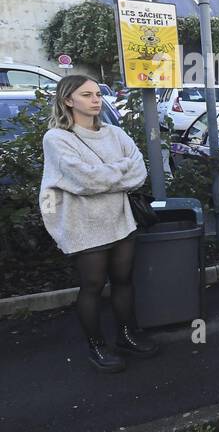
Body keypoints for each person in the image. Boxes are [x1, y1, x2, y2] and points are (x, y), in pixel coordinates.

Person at [39, 75, 156, 372]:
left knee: (123, 280)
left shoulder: (115, 133)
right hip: (84, 225)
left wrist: (104, 173)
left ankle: (127, 336)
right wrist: (117, 172)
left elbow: (139, 171)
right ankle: (97, 347)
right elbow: (85, 180)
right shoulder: (56, 138)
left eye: (97, 94)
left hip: (119, 219)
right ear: (68, 100)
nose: (96, 99)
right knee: (92, 286)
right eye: (86, 95)